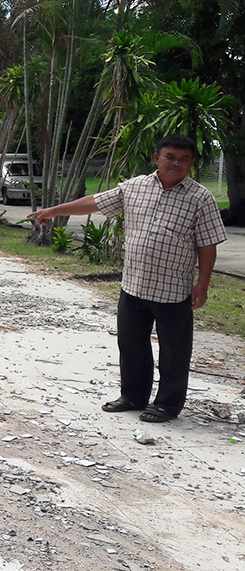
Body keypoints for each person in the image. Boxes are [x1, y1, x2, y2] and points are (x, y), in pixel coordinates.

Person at [29, 134, 226, 423]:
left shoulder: (200, 197)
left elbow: (207, 244)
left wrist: (203, 284)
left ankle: (167, 405)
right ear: (156, 158)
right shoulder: (134, 187)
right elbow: (94, 202)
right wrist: (54, 211)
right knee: (132, 345)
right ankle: (133, 396)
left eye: (184, 159)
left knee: (174, 352)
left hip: (174, 290)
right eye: (170, 157)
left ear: (192, 164)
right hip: (134, 285)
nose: (176, 163)